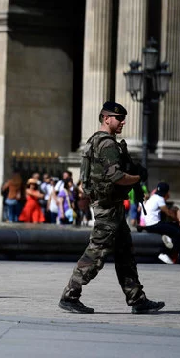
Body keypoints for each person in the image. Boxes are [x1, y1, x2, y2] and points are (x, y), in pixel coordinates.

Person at [59, 101, 164, 315]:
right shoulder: (107, 144)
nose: (123, 121)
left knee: (125, 254)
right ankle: (70, 295)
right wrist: (137, 178)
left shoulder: (93, 141)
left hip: (110, 207)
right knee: (95, 254)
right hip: (107, 210)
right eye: (118, 118)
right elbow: (116, 177)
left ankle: (137, 299)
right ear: (106, 118)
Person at [142, 182, 180, 264]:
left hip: (149, 225)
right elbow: (168, 213)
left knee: (173, 227)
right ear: (166, 192)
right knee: (177, 231)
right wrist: (179, 221)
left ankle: (168, 240)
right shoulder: (160, 199)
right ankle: (166, 253)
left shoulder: (153, 197)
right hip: (154, 225)